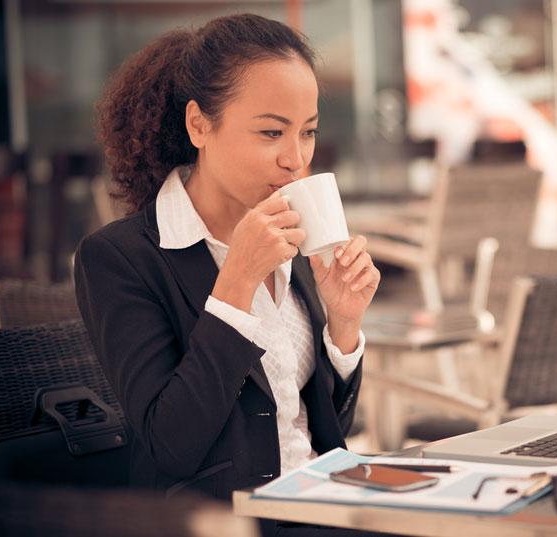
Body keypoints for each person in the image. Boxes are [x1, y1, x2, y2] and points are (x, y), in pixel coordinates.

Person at [75, 13, 383, 535]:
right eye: (271, 132)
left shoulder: (291, 233)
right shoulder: (121, 258)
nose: (295, 159)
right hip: (228, 522)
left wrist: (343, 325)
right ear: (199, 124)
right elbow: (172, 445)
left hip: (324, 506)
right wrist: (236, 282)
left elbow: (321, 429)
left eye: (307, 132)